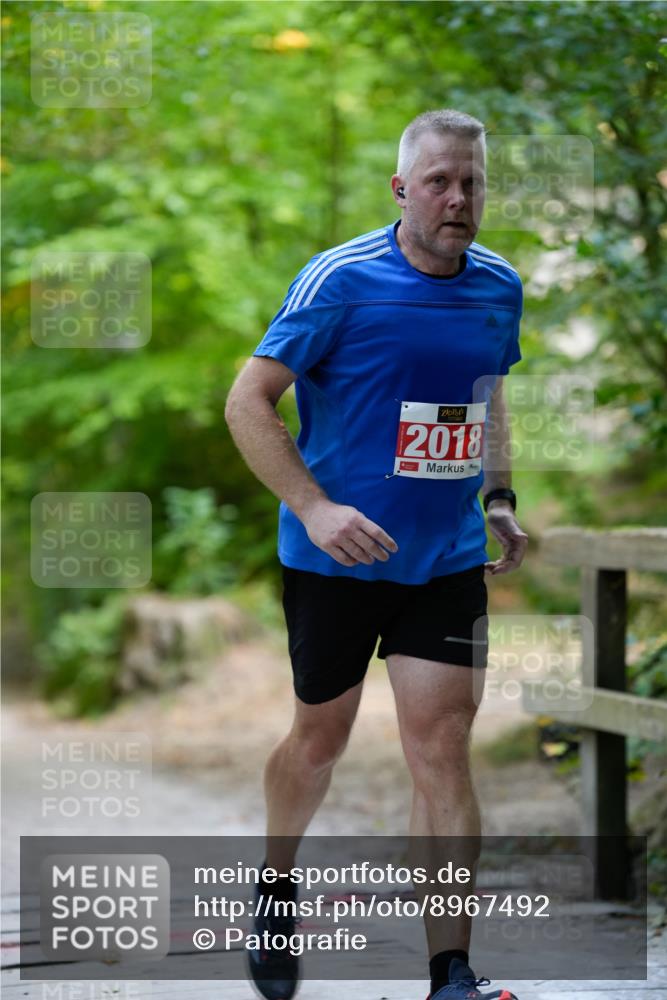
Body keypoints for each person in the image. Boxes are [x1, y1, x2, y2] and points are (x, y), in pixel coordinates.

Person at [225, 108, 528, 1000]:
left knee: (441, 751)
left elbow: (487, 393)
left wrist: (499, 496)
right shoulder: (338, 280)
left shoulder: (499, 284)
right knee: (318, 742)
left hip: (442, 560)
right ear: (401, 188)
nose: (457, 197)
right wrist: (314, 508)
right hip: (337, 560)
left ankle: (450, 974)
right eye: (438, 180)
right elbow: (249, 402)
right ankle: (276, 886)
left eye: (470, 181)